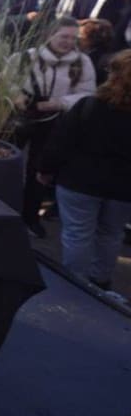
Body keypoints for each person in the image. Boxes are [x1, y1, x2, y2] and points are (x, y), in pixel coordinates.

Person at [38, 49, 131, 295]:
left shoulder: (89, 106)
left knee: (77, 234)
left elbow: (61, 142)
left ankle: (75, 286)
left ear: (113, 74)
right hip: (124, 188)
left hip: (80, 182)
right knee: (111, 234)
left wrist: (46, 170)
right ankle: (101, 282)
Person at [10, 16, 97, 237]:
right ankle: (5, 212)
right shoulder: (25, 57)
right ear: (49, 35)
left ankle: (30, 217)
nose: (68, 42)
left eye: (73, 38)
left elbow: (87, 93)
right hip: (21, 117)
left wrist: (59, 103)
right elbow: (6, 80)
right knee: (10, 165)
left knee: (39, 170)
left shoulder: (82, 63)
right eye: (63, 36)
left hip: (55, 121)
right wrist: (16, 96)